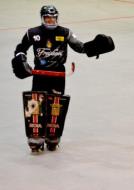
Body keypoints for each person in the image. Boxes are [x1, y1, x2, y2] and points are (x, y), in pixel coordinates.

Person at [11, 5, 115, 152]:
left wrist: (95, 47)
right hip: (40, 73)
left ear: (57, 18)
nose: (50, 20)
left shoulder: (65, 33)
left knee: (56, 104)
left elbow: (80, 47)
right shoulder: (32, 33)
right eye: (47, 18)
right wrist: (20, 59)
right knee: (36, 102)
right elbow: (21, 48)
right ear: (42, 18)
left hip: (58, 74)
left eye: (53, 18)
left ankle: (53, 136)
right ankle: (35, 137)